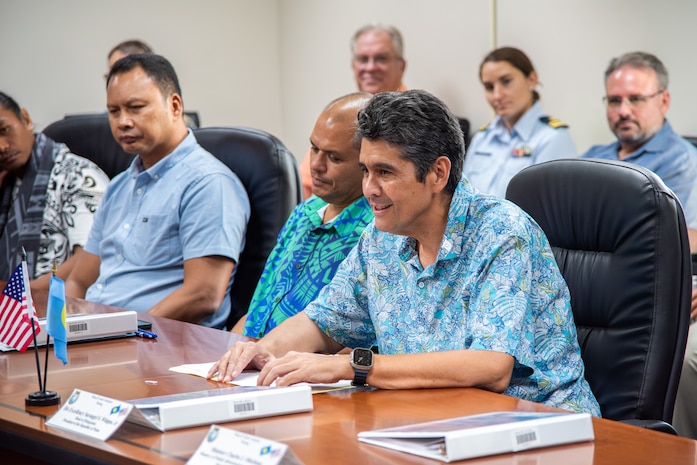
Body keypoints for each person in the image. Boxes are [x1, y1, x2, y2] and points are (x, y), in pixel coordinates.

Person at [208, 90, 600, 416]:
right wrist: (263, 352)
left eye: (385, 172)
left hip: (537, 427)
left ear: (438, 174)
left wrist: (353, 366)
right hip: (430, 420)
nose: (369, 189)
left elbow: (491, 367)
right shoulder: (381, 237)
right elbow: (323, 322)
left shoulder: (500, 231)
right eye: (364, 170)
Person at [65, 54, 250, 328]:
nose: (122, 122)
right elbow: (79, 280)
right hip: (99, 337)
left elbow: (203, 295)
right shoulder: (118, 186)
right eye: (113, 111)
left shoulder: (208, 183)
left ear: (174, 106)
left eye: (136, 107)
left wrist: (122, 330)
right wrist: (65, 329)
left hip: (159, 344)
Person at [232, 92, 374, 337]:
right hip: (246, 361)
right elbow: (260, 306)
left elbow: (359, 339)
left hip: (299, 369)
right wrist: (223, 350)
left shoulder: (376, 232)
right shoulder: (305, 211)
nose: (316, 164)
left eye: (333, 157)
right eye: (314, 148)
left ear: (366, 163)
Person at [581, 51, 697, 249]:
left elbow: (679, 239)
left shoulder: (681, 161)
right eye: (614, 100)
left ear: (664, 101)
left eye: (636, 99)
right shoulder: (592, 157)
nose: (624, 111)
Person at [0, 92, 109, 289]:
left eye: (4, 130)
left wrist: (24, 292)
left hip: (57, 302)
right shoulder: (7, 184)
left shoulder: (78, 175)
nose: (2, 146)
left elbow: (89, 258)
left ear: (25, 118)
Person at [299, 24, 407, 199]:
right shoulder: (341, 115)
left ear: (401, 66)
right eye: (363, 59)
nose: (370, 67)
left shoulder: (414, 122)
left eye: (381, 58)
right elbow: (307, 186)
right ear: (353, 65)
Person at [463, 47, 577, 198]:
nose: (497, 95)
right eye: (489, 87)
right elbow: (462, 197)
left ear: (532, 79)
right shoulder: (482, 137)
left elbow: (552, 210)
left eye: (506, 81)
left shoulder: (552, 138)